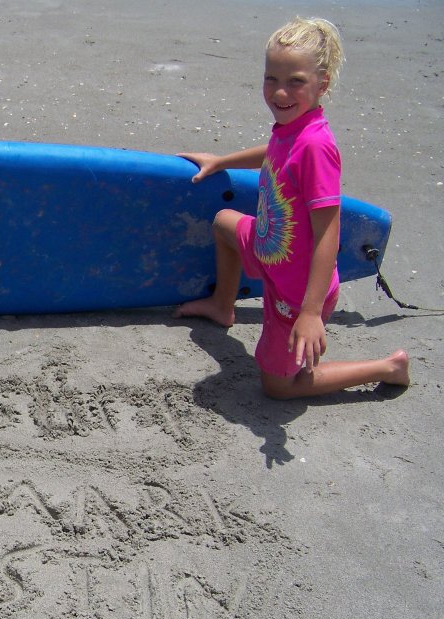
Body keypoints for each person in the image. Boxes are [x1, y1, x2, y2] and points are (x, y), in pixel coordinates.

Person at [173, 17, 409, 400]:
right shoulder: (293, 127)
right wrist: (222, 161)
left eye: (295, 81)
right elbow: (275, 152)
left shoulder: (317, 146)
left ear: (322, 84)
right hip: (270, 246)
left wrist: (311, 312)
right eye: (271, 79)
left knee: (278, 386)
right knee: (223, 224)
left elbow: (328, 235)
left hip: (297, 291)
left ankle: (389, 367)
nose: (280, 92)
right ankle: (222, 305)